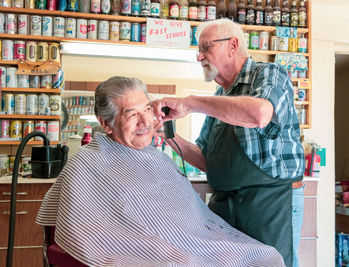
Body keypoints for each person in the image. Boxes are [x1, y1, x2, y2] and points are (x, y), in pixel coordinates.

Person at [36, 76, 285, 267]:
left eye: (146, 109)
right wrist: (169, 247)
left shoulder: (158, 159)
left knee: (265, 256)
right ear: (105, 124)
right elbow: (89, 233)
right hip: (156, 252)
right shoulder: (88, 163)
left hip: (196, 241)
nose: (145, 122)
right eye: (131, 114)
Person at [152, 19, 305, 267]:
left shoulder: (268, 74)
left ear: (233, 45)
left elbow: (258, 114)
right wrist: (167, 134)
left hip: (269, 203)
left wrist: (190, 103)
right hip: (228, 205)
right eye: (198, 50)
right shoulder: (221, 96)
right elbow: (205, 159)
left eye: (205, 48)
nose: (199, 56)